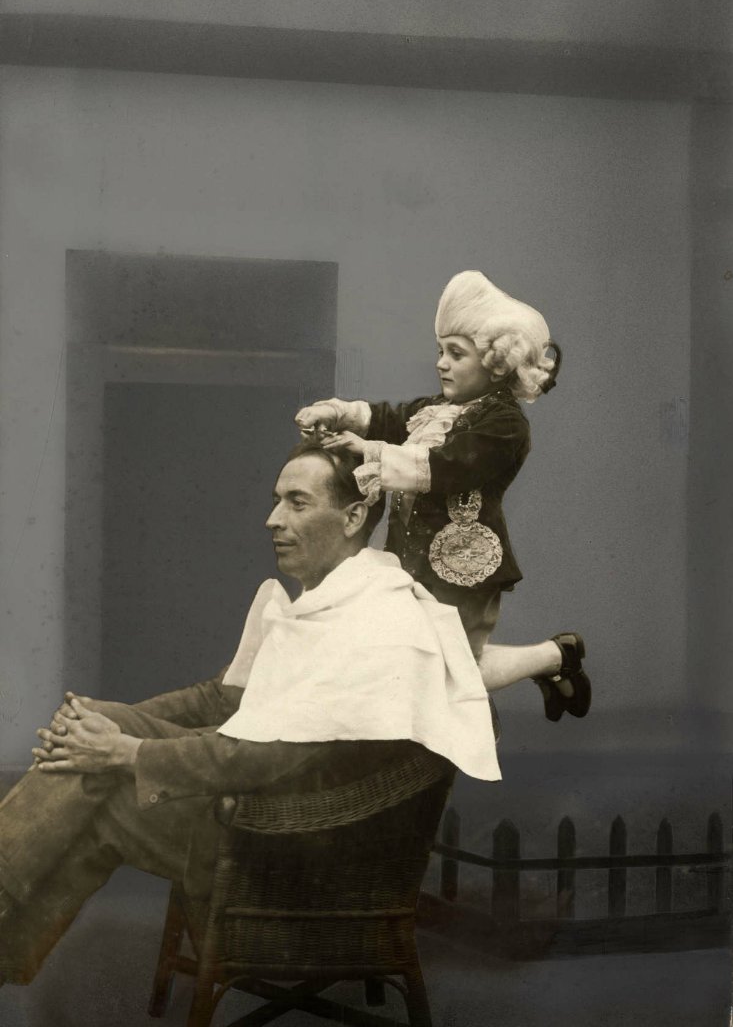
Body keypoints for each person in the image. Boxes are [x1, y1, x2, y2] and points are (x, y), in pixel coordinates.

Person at [0, 442, 500, 986]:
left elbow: (271, 758)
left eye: (297, 503)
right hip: (263, 814)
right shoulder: (335, 601)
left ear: (354, 516)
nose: (273, 519)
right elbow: (228, 700)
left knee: (98, 787)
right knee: (92, 768)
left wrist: (124, 750)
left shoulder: (377, 621)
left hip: (285, 846)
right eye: (276, 501)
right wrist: (97, 728)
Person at [295, 270, 590, 723]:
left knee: (454, 668)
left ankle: (555, 657)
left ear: (496, 363)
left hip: (462, 565)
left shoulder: (505, 424)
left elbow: (447, 467)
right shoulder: (434, 411)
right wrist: (336, 413)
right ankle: (529, 676)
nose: (441, 364)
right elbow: (386, 418)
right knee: (417, 658)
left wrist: (368, 450)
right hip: (411, 558)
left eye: (456, 353)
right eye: (440, 352)